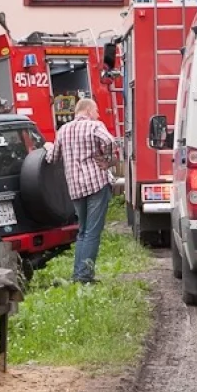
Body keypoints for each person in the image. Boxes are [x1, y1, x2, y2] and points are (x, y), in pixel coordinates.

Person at [45, 97, 116, 284]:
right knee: (92, 232)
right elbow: (110, 141)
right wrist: (107, 160)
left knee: (83, 231)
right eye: (97, 111)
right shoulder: (94, 126)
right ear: (89, 110)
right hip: (96, 183)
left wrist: (47, 146)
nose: (98, 115)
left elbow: (53, 158)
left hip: (76, 188)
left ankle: (78, 275)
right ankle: (85, 277)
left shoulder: (63, 130)